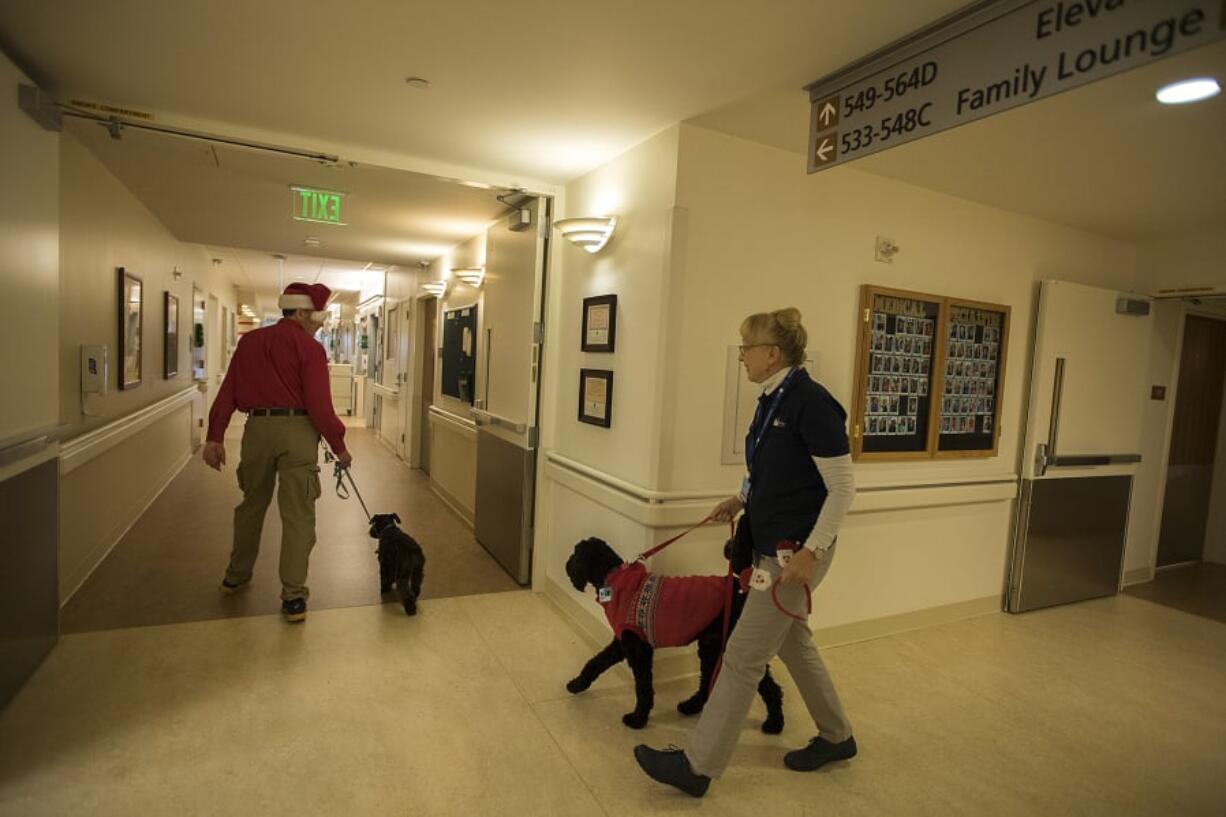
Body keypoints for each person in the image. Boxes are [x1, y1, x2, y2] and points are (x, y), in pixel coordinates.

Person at [634, 307, 857, 797]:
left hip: (796, 554)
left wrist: (811, 553)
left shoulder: (811, 404)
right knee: (793, 644)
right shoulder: (770, 402)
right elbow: (766, 471)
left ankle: (697, 766)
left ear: (772, 353)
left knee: (741, 656)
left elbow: (842, 489)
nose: (741, 356)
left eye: (746, 346)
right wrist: (739, 499)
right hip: (767, 546)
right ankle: (838, 736)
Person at [202, 282, 352, 623]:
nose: (321, 323)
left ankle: (235, 576)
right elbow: (319, 406)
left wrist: (216, 436)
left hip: (256, 431)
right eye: (317, 316)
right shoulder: (309, 349)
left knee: (251, 505)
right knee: (298, 514)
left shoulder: (249, 342)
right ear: (300, 312)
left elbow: (229, 390)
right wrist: (339, 446)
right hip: (297, 432)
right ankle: (293, 597)